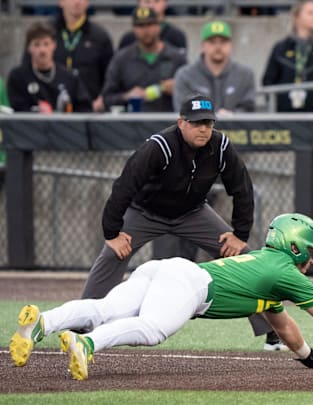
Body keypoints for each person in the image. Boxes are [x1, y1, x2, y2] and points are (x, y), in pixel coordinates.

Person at [8, 213, 313, 381]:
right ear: (294, 248)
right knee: (152, 330)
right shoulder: (285, 272)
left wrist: (310, 358)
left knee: (102, 309)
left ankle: (41, 322)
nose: (312, 259)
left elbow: (284, 325)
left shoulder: (265, 268)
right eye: (310, 251)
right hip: (190, 285)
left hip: (165, 268)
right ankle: (86, 343)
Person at [80, 94, 280, 350]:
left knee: (244, 259)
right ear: (181, 123)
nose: (203, 129)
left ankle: (273, 332)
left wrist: (240, 234)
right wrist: (112, 232)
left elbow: (242, 188)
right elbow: (124, 186)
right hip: (145, 213)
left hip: (193, 213)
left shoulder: (219, 146)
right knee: (111, 255)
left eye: (208, 123)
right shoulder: (159, 146)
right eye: (197, 123)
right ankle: (82, 325)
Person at [262, 0, 313, 112]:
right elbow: (268, 81)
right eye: (310, 13)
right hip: (286, 115)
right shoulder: (281, 47)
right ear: (296, 17)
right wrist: (279, 104)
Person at [101, 6, 186, 113]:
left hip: (168, 123)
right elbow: (107, 97)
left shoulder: (176, 58)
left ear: (158, 26)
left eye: (150, 24)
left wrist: (178, 89)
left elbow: (194, 95)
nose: (146, 30)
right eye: (140, 25)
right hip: (131, 124)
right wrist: (126, 96)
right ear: (134, 29)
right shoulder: (122, 59)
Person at [7, 21, 92, 113]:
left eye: (46, 44)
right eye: (37, 44)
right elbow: (16, 110)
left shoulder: (70, 77)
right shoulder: (18, 77)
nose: (42, 50)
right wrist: (37, 111)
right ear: (29, 48)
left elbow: (85, 109)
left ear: (54, 45)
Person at [173, 20, 255, 114]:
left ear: (230, 45)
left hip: (235, 128)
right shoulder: (185, 75)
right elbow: (182, 110)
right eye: (212, 42)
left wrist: (233, 116)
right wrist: (210, 118)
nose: (218, 47)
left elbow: (249, 109)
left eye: (223, 42)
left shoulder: (245, 74)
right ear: (203, 46)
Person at [52, 0, 114, 112]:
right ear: (61, 2)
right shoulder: (47, 34)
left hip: (90, 111)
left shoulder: (100, 36)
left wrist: (101, 99)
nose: (77, 2)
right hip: (52, 112)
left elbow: (111, 77)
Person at [118, 0, 187, 54]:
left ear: (165, 3)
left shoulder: (177, 36)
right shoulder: (128, 39)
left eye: (156, 1)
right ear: (139, 3)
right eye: (147, 1)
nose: (151, 6)